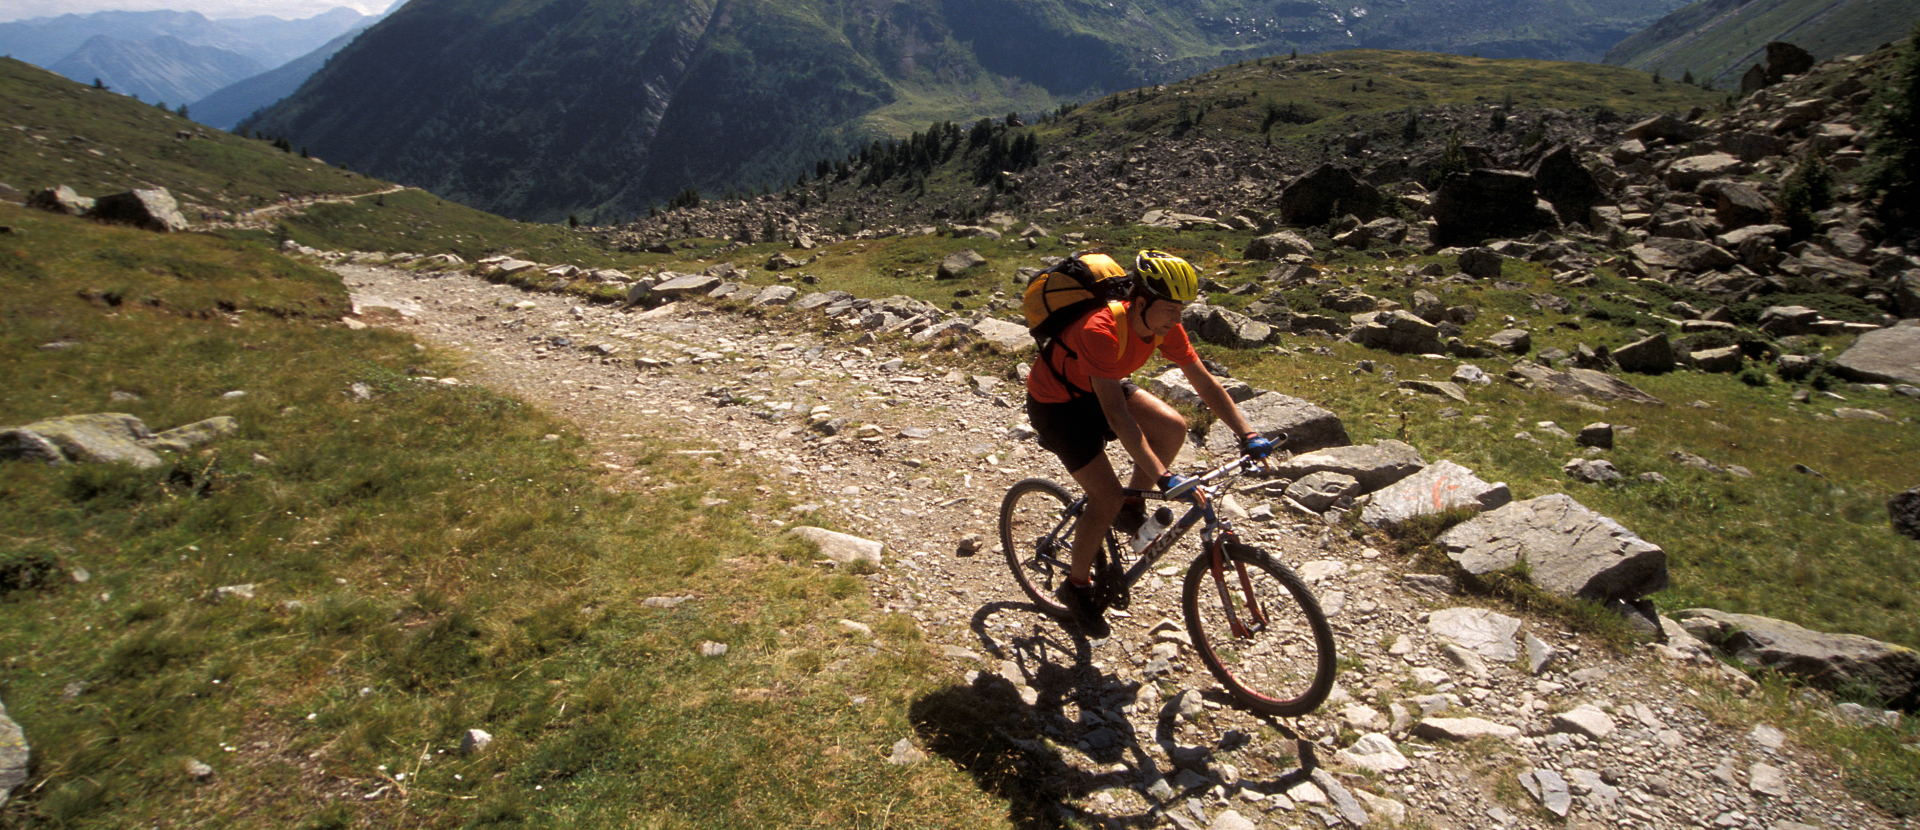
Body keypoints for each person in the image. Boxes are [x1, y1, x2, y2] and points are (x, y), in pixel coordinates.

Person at [1023, 249, 1275, 638]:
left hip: (1099, 385)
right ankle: (1076, 586)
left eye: (1181, 310)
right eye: (1171, 309)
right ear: (1140, 303)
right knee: (1104, 496)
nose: (1177, 318)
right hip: (1058, 405)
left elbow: (1204, 382)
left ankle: (1129, 507)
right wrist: (1163, 476)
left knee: (1172, 427)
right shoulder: (1099, 329)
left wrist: (1248, 434)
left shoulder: (1164, 327)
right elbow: (1117, 416)